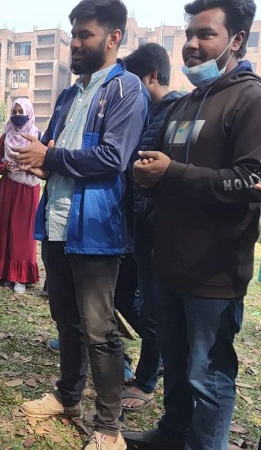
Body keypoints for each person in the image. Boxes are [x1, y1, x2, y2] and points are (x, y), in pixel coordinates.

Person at [124, 0, 261, 448]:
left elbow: (254, 179)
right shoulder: (185, 105)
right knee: (178, 364)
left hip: (214, 272)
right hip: (169, 262)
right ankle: (172, 434)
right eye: (189, 36)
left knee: (209, 376)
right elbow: (163, 171)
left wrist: (172, 173)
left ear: (236, 40)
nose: (192, 46)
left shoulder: (250, 99)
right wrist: (147, 177)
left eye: (206, 35)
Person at [15, 0, 149, 448]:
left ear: (113, 38)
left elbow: (113, 158)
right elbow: (55, 150)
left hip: (94, 228)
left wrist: (50, 157)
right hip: (55, 222)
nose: (74, 44)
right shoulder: (70, 95)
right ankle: (68, 397)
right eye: (72, 34)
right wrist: (41, 162)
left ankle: (109, 427)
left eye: (84, 35)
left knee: (99, 328)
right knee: (65, 319)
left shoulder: (126, 90)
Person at [118, 43, 185, 414]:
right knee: (124, 299)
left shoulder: (174, 113)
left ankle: (147, 380)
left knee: (153, 308)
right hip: (136, 226)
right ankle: (151, 358)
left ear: (152, 77)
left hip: (157, 226)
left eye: (134, 82)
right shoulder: (149, 112)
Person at [0, 98, 41, 294]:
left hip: (27, 188)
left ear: (29, 112)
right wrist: (6, 166)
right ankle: (4, 272)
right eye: (15, 111)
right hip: (8, 186)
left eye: (22, 111)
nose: (18, 115)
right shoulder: (5, 137)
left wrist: (27, 167)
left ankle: (20, 276)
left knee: (22, 232)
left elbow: (41, 165)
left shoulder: (37, 137)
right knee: (5, 228)